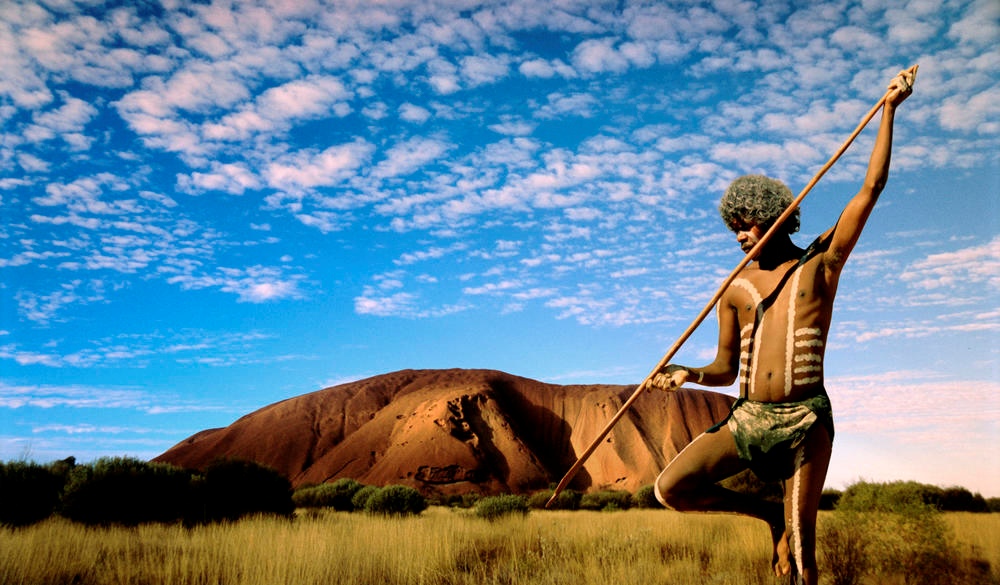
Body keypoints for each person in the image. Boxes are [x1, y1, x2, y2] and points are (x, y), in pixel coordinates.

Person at [640, 68, 914, 585]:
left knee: (802, 564)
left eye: (749, 224)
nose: (741, 237)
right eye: (734, 228)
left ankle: (787, 532)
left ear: (777, 216)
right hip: (748, 419)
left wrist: (889, 110)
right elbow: (724, 370)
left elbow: (871, 187)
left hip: (805, 422)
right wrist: (686, 372)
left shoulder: (821, 264)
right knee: (670, 488)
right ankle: (765, 516)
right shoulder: (735, 289)